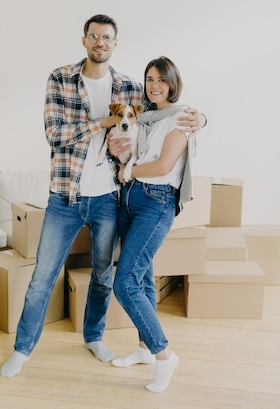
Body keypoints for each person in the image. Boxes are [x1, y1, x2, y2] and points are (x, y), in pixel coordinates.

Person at [0, 15, 206, 378]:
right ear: (84, 41)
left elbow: (164, 107)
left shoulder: (128, 86)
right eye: (94, 36)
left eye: (107, 37)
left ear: (114, 43)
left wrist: (201, 118)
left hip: (111, 198)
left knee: (103, 274)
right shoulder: (61, 78)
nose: (100, 42)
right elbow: (55, 135)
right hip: (65, 197)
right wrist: (103, 123)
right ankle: (22, 350)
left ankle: (93, 337)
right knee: (42, 276)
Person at [109, 56, 195, 393]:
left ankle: (164, 354)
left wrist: (127, 171)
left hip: (156, 202)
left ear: (173, 83)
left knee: (124, 284)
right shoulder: (145, 118)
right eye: (149, 79)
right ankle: (145, 350)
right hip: (130, 200)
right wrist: (122, 159)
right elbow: (138, 156)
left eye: (161, 80)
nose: (154, 85)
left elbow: (162, 166)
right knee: (142, 279)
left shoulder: (183, 119)